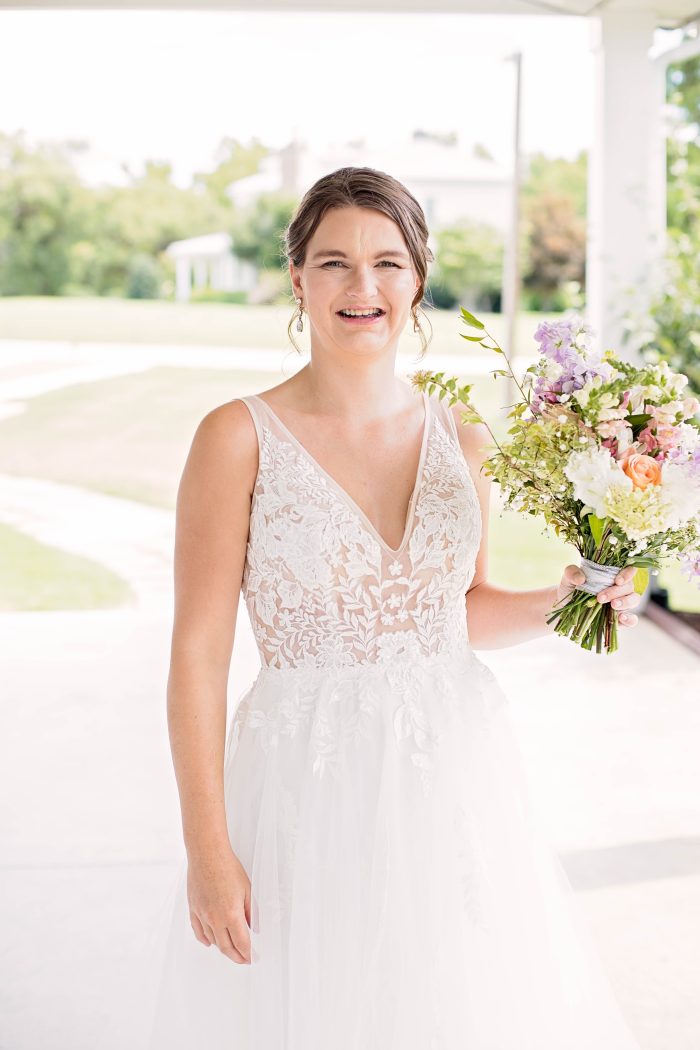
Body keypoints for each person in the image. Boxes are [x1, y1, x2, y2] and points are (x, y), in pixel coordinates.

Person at [146, 166, 644, 1049]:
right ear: (297, 279)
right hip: (304, 779)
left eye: (387, 262)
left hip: (449, 776)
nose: (362, 287)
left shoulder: (465, 440)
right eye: (334, 262)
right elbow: (196, 656)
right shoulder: (235, 436)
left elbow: (459, 615)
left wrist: (569, 596)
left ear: (418, 279)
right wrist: (208, 850)